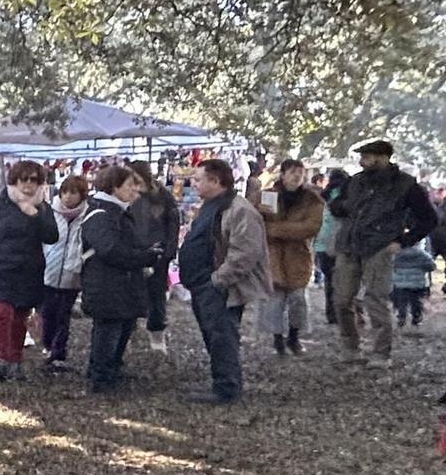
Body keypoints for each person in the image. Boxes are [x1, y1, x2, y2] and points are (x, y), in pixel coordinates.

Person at [326, 139, 438, 364]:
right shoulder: (355, 181)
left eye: (367, 156)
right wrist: (339, 206)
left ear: (383, 157)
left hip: (380, 247)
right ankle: (350, 347)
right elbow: (337, 205)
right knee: (341, 299)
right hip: (349, 245)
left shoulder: (406, 185)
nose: (362, 160)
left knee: (376, 300)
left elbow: (429, 219)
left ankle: (380, 352)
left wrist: (403, 241)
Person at [179, 158, 272, 404]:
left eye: (199, 179)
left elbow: (245, 253)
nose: (193, 183)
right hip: (202, 284)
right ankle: (222, 381)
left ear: (216, 181)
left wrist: (217, 281)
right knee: (213, 334)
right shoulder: (211, 206)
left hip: (220, 286)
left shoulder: (240, 210)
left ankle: (226, 388)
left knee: (222, 335)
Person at [77, 164, 157, 394]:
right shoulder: (101, 215)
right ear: (114, 187)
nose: (135, 191)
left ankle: (110, 370)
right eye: (130, 186)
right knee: (108, 331)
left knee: (120, 329)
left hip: (120, 284)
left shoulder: (117, 212)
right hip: (106, 285)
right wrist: (143, 257)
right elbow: (110, 249)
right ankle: (101, 377)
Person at [0, 161, 58, 380]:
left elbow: (52, 236)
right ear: (15, 179)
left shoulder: (42, 207)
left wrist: (35, 213)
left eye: (35, 180)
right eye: (25, 179)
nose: (29, 184)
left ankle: (14, 359)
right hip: (1, 270)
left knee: (19, 317)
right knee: (2, 314)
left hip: (29, 271)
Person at [256, 158, 324, 355]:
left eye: (300, 172)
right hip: (273, 256)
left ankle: (294, 336)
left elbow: (310, 227)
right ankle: (277, 339)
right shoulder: (267, 196)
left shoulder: (312, 200)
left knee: (298, 299)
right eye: (293, 171)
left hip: (298, 256)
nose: (297, 176)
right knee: (274, 300)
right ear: (283, 174)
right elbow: (255, 221)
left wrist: (275, 229)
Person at [38, 175, 90, 373]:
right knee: (48, 313)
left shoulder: (87, 216)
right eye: (65, 192)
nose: (68, 197)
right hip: (49, 272)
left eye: (74, 193)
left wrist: (82, 259)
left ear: (81, 195)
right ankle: (48, 344)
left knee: (63, 315)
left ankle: (58, 352)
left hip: (72, 274)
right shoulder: (50, 212)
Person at [127, 166, 181, 352]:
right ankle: (128, 331)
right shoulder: (126, 196)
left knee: (156, 296)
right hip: (132, 253)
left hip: (157, 253)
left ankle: (157, 335)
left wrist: (169, 251)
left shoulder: (163, 196)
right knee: (129, 294)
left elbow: (173, 223)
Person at [312, 168, 347, 317]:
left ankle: (330, 311)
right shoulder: (348, 196)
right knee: (342, 280)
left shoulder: (322, 196)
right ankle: (340, 311)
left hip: (322, 241)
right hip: (341, 241)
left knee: (329, 279)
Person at [391, 239, 433, 326]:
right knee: (416, 302)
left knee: (402, 302)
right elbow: (431, 266)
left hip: (400, 284)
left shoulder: (397, 254)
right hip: (417, 284)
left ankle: (401, 317)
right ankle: (416, 318)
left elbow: (392, 265)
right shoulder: (422, 254)